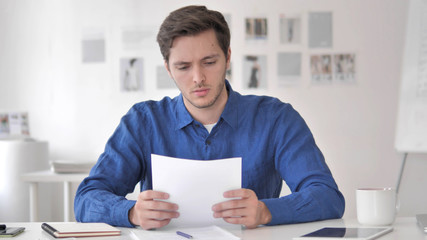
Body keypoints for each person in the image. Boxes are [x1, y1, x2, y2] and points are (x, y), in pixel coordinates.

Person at [74, 5, 345, 230]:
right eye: (183, 66)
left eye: (209, 62)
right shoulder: (142, 122)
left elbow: (327, 196)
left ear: (227, 58)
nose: (198, 78)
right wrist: (132, 212)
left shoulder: (276, 118)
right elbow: (86, 199)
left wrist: (265, 211)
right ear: (168, 68)